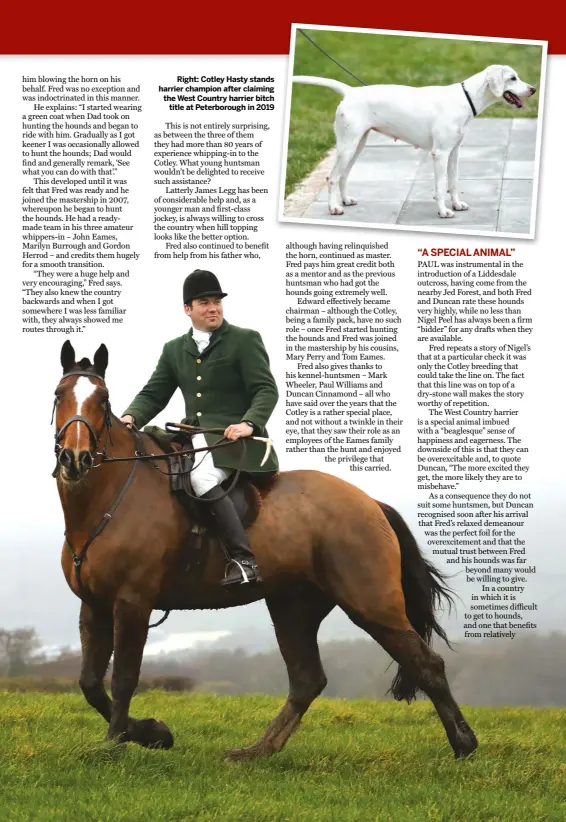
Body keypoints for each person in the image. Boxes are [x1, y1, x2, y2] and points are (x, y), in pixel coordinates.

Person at [120, 269, 279, 585]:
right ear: (187, 309)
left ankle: (244, 561)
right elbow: (154, 393)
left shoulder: (245, 340)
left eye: (217, 301)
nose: (214, 308)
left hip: (233, 440)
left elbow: (266, 389)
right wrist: (130, 417)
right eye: (204, 302)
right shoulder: (174, 349)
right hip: (192, 435)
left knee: (201, 476)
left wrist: (249, 422)